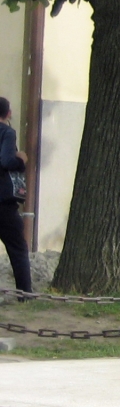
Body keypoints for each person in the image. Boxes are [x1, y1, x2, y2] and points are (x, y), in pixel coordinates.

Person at [0, 98, 30, 294]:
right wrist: (21, 160)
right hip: (3, 202)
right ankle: (24, 294)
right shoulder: (7, 132)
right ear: (8, 114)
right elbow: (6, 160)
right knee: (17, 248)